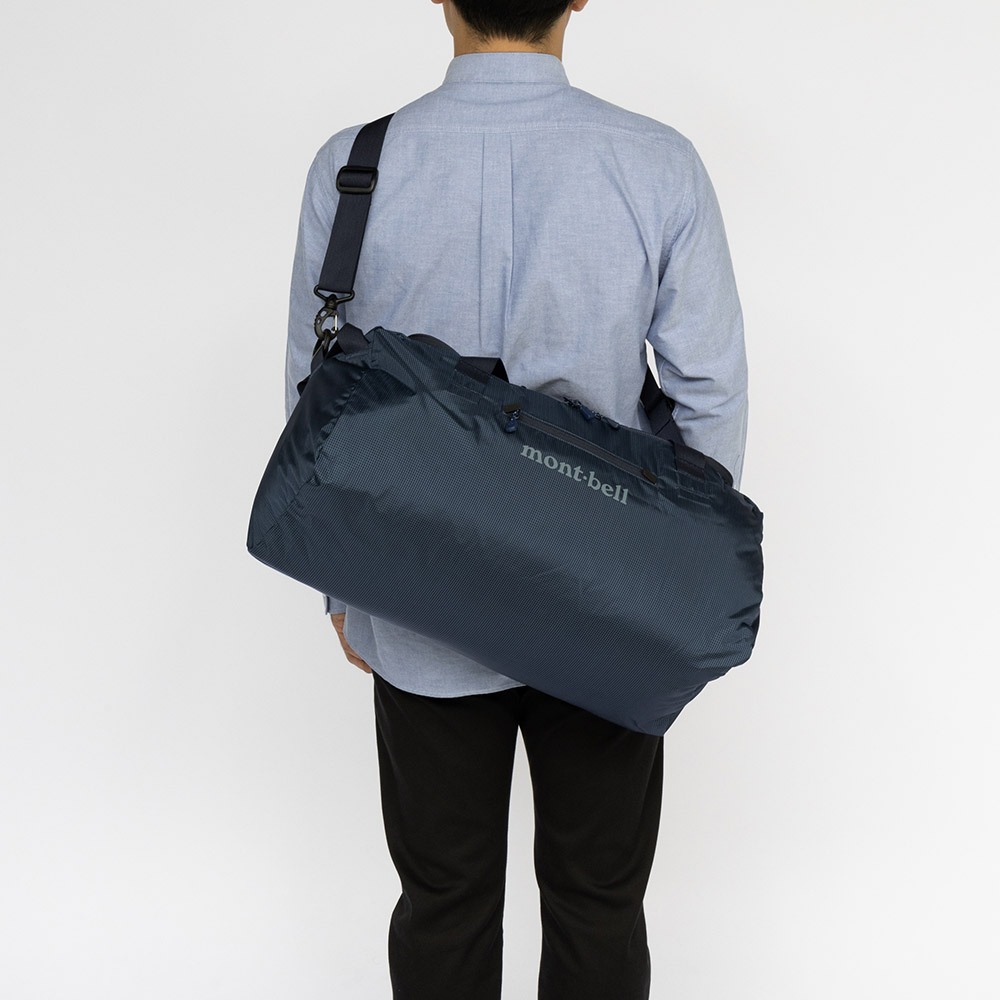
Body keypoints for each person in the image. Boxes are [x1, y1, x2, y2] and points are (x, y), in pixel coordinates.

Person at [283, 2, 748, 997]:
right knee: (598, 901)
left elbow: (316, 401)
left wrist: (343, 591)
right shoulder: (656, 163)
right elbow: (709, 393)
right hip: (609, 605)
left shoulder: (353, 167)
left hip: (417, 593)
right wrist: (673, 589)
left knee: (443, 900)